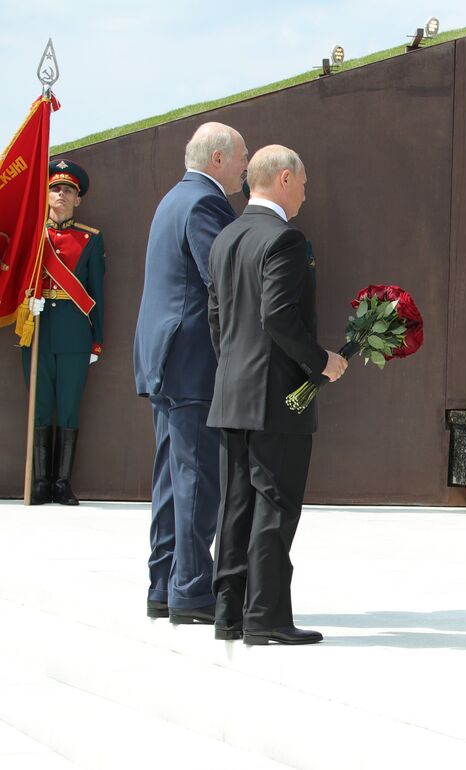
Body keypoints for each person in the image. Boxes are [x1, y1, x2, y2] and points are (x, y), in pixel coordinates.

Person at [206, 145, 347, 645]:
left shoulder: (226, 236)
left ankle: (229, 614)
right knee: (275, 503)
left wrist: (235, 371)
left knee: (236, 504)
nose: (305, 194)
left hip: (232, 394)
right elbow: (278, 317)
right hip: (275, 397)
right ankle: (266, 616)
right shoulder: (285, 238)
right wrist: (321, 361)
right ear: (284, 179)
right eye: (303, 184)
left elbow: (217, 319)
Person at [134, 123, 249, 624]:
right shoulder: (206, 203)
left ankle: (164, 585)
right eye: (242, 156)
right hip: (191, 361)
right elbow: (219, 281)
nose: (246, 167)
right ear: (218, 158)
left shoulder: (173, 198)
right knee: (198, 477)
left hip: (166, 359)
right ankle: (192, 591)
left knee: (171, 478)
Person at [22, 160, 105, 507]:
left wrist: (97, 340)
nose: (61, 195)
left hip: (74, 332)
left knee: (69, 407)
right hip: (38, 329)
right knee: (40, 406)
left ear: (78, 199)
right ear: (46, 195)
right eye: (55, 189)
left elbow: (97, 292)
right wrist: (27, 301)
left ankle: (61, 483)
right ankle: (41, 483)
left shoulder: (90, 239)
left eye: (68, 190)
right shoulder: (32, 236)